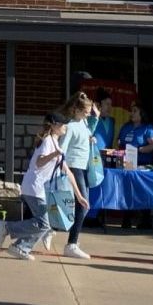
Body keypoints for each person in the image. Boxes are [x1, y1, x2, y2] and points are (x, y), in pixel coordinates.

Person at [0, 112, 86, 260]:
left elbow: (68, 172)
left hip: (38, 189)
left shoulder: (55, 143)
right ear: (54, 126)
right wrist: (54, 154)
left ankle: (19, 246)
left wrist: (79, 196)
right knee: (44, 224)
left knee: (45, 224)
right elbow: (39, 162)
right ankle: (7, 229)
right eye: (63, 124)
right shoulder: (48, 141)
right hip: (34, 188)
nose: (65, 127)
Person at [58, 91, 102, 259]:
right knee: (83, 205)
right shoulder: (70, 126)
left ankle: (71, 241)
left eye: (88, 113)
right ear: (76, 110)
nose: (87, 115)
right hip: (74, 167)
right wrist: (62, 167)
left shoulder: (83, 123)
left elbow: (89, 129)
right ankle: (72, 244)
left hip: (83, 167)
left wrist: (95, 119)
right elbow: (62, 148)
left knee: (82, 206)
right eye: (85, 112)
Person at [117, 103, 153, 229]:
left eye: (135, 111)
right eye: (132, 111)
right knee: (127, 191)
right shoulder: (126, 127)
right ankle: (126, 219)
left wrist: (139, 150)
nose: (132, 113)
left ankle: (145, 220)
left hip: (144, 164)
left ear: (142, 114)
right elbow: (120, 142)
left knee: (143, 191)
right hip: (128, 164)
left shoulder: (148, 128)